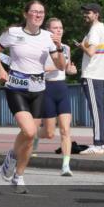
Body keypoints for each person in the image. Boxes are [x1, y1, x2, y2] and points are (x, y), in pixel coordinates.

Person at [0, 1, 65, 193]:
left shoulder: (49, 37)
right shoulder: (14, 33)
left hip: (39, 88)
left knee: (30, 138)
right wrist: (1, 70)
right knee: (30, 131)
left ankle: (19, 176)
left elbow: (61, 66)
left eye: (41, 12)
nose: (38, 15)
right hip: (16, 87)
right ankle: (12, 157)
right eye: (34, 12)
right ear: (26, 14)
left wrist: (58, 48)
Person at [39, 17, 77, 176]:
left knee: (65, 130)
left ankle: (66, 166)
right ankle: (31, 133)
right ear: (48, 30)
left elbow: (67, 68)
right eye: (55, 28)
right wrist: (51, 67)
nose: (59, 30)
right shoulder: (42, 47)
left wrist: (71, 71)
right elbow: (36, 68)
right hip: (47, 88)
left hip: (61, 88)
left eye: (61, 28)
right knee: (49, 133)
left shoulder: (66, 48)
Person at [77, 3, 104, 154]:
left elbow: (91, 52)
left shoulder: (94, 30)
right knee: (102, 110)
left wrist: (81, 46)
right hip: (103, 74)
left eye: (88, 12)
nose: (85, 14)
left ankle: (97, 144)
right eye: (85, 12)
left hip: (92, 74)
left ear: (96, 14)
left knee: (96, 110)